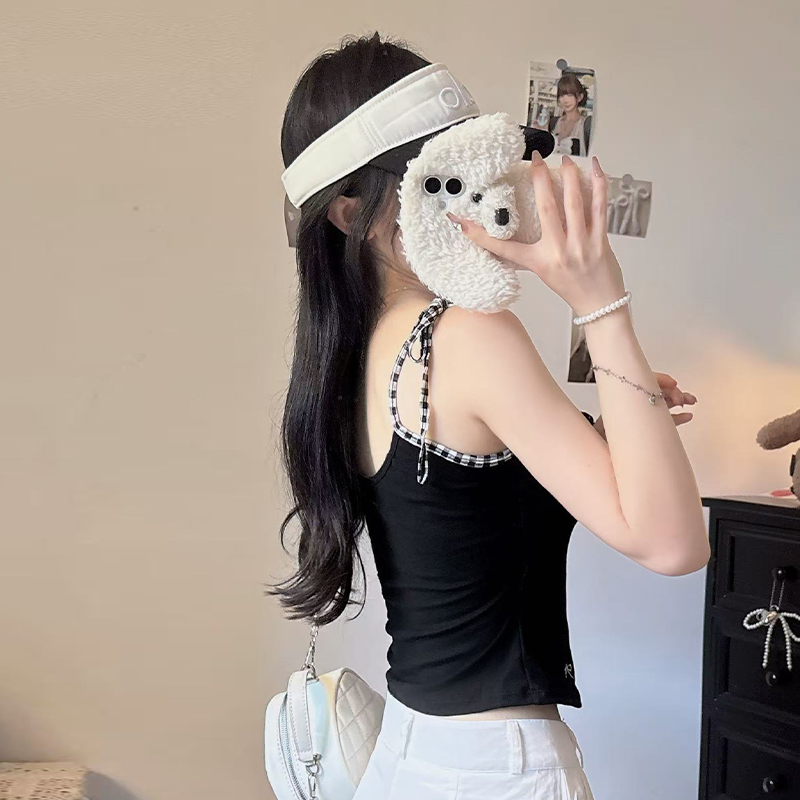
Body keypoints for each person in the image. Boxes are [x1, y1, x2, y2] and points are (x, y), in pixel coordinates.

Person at [268, 31, 708, 798]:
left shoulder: (354, 351)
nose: (473, 202)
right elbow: (674, 544)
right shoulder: (467, 334)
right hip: (499, 768)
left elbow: (459, 513)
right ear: (349, 212)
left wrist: (611, 435)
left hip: (409, 755)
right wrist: (599, 297)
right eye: (436, 181)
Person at [549, 72, 593, 157]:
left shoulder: (586, 124)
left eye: (569, 95)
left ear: (580, 97)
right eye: (561, 96)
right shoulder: (554, 122)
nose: (565, 100)